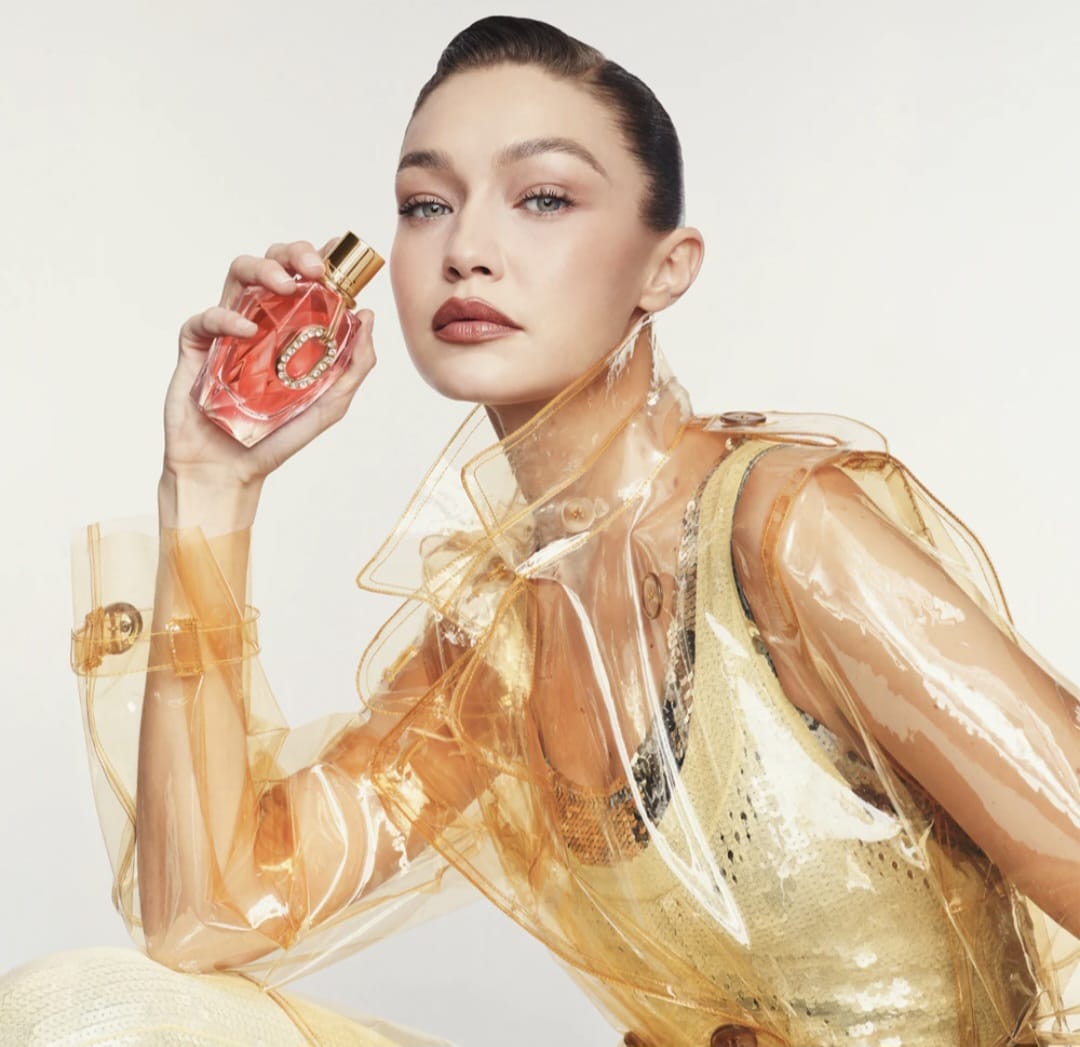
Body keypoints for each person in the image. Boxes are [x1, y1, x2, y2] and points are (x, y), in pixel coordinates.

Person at [2, 14, 1077, 1047]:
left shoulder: (784, 531)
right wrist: (208, 484)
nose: (467, 249)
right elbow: (205, 918)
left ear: (667, 266)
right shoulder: (498, 641)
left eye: (544, 198)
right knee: (84, 1012)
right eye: (426, 204)